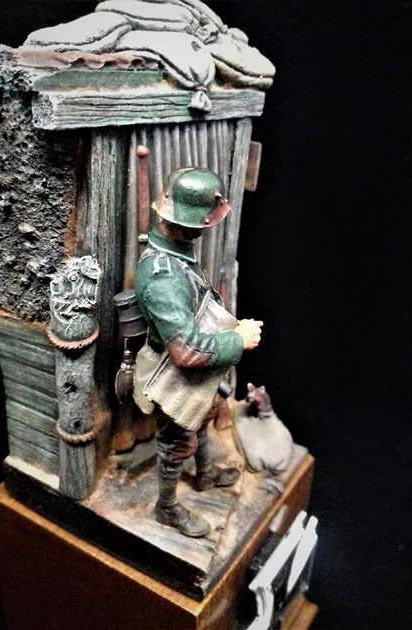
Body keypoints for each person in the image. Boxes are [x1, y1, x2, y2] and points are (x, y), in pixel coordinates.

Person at [133, 167, 262, 537]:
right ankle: (167, 507)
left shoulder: (177, 253)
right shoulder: (163, 276)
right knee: (177, 443)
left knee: (202, 417)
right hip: (172, 374)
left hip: (196, 372)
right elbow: (186, 351)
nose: (204, 230)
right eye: (200, 224)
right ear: (183, 223)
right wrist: (238, 340)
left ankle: (204, 475)